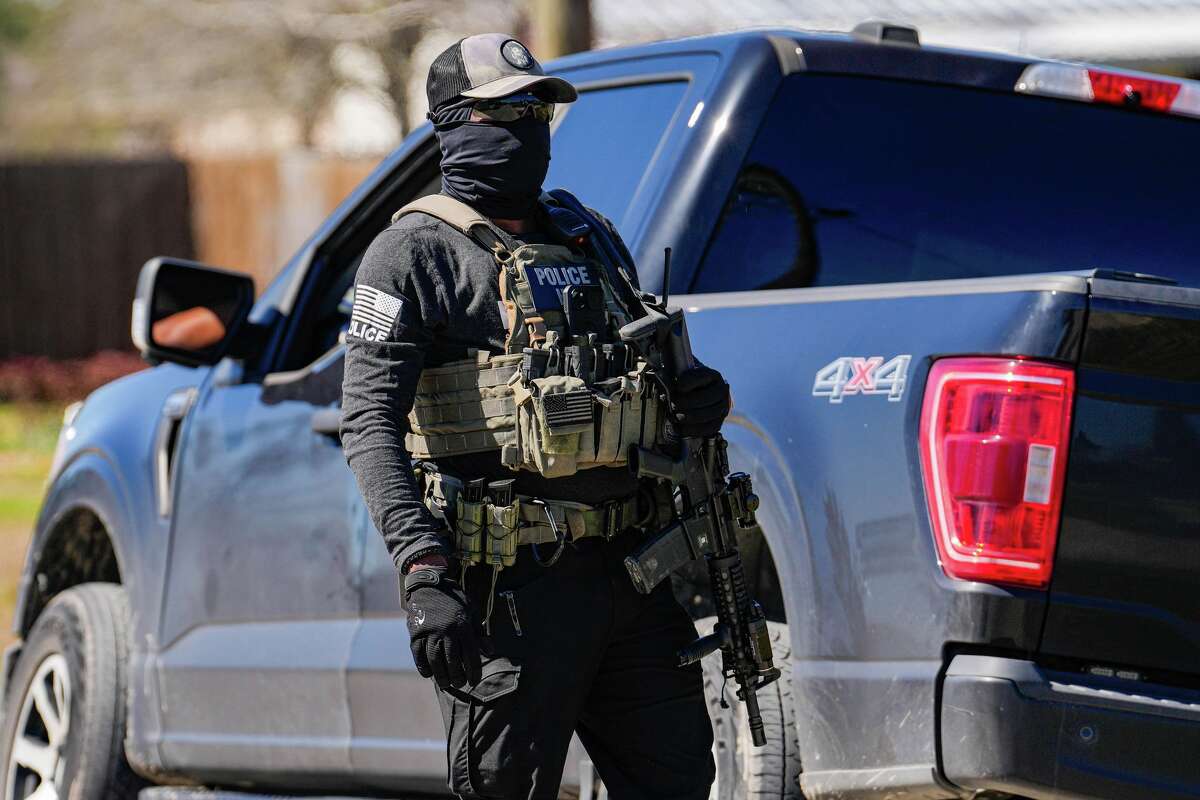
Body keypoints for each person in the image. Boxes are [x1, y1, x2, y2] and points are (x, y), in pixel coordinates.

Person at [340, 33, 730, 800]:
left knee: (680, 784)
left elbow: (639, 374)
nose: (525, 126)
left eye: (537, 109)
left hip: (632, 574)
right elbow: (367, 424)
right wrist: (423, 567)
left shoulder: (585, 233)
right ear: (451, 124)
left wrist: (699, 398)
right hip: (511, 595)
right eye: (503, 111)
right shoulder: (412, 253)